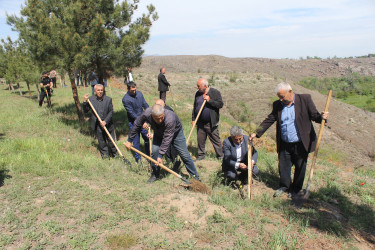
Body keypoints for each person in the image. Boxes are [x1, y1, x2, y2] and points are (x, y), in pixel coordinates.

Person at [249, 82, 329, 198]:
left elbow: (314, 116)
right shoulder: (277, 104)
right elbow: (270, 119)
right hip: (284, 142)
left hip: (301, 142)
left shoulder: (305, 99)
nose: (281, 99)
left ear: (290, 92)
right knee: (283, 166)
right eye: (279, 97)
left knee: (300, 167)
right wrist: (257, 132)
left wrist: (322, 117)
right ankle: (284, 186)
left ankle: (295, 190)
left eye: (282, 96)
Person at [124, 104, 200, 183]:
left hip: (175, 134)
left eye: (161, 118)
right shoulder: (147, 113)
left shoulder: (170, 118)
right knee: (155, 153)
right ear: (152, 115)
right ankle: (155, 174)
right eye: (157, 119)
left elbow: (167, 139)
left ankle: (195, 177)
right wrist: (129, 140)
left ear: (163, 112)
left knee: (184, 155)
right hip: (158, 133)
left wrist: (161, 155)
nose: (160, 120)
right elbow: (137, 124)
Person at [83, 84, 118, 159]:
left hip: (108, 124)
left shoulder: (108, 99)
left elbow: (111, 112)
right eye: (98, 90)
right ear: (95, 91)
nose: (100, 92)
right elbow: (85, 110)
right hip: (98, 125)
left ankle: (116, 155)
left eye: (101, 90)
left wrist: (105, 121)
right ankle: (105, 156)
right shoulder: (91, 99)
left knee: (111, 141)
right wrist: (85, 101)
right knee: (102, 142)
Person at [192, 78, 224, 161]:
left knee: (215, 140)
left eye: (198, 86)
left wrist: (210, 100)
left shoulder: (215, 92)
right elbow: (195, 107)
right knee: (200, 139)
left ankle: (220, 156)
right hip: (200, 122)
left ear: (205, 86)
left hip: (210, 123)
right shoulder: (198, 94)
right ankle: (201, 155)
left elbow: (220, 104)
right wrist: (193, 119)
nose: (197, 87)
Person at [122, 81, 150, 164]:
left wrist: (149, 114)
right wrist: (141, 122)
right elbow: (132, 113)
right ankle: (138, 160)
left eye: (135, 90)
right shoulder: (125, 99)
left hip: (143, 121)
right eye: (132, 90)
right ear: (128, 89)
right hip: (133, 123)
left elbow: (145, 104)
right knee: (136, 142)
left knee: (147, 138)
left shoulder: (139, 94)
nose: (134, 92)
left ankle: (148, 155)